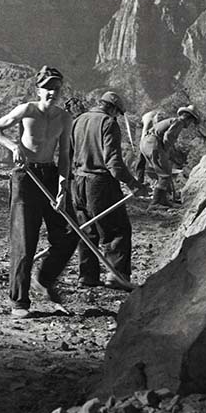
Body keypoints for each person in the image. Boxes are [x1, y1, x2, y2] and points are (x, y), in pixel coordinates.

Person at [0, 66, 74, 318]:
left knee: (67, 234)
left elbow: (65, 155)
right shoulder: (27, 110)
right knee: (25, 240)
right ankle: (19, 302)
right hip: (25, 177)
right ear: (39, 89)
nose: (52, 92)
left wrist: (62, 187)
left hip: (49, 175)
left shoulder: (64, 118)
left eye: (56, 88)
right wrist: (13, 145)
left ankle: (44, 278)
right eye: (47, 87)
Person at [70, 91, 151, 290]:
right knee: (117, 230)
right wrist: (134, 184)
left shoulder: (78, 121)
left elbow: (67, 154)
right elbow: (113, 163)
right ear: (112, 109)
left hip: (78, 181)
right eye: (117, 113)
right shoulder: (108, 123)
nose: (116, 117)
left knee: (87, 230)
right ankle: (117, 276)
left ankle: (87, 276)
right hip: (100, 183)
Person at [140, 105, 201, 207]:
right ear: (188, 118)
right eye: (191, 121)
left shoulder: (173, 120)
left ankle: (162, 200)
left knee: (163, 172)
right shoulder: (179, 122)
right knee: (164, 173)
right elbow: (168, 137)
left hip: (146, 143)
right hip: (153, 143)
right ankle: (156, 202)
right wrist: (166, 151)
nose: (190, 124)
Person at [134, 108, 165, 184]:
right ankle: (139, 179)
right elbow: (144, 135)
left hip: (151, 130)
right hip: (141, 127)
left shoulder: (162, 121)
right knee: (141, 157)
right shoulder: (149, 120)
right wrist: (142, 148)